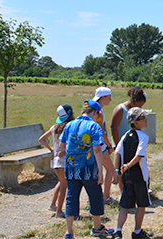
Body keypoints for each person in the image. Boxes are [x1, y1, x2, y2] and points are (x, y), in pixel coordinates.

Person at [58, 99, 114, 239]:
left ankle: (69, 232)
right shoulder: (93, 126)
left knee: (71, 198)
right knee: (95, 196)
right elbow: (96, 149)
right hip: (89, 170)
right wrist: (100, 171)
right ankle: (96, 227)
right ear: (95, 113)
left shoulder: (69, 125)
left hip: (71, 169)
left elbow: (61, 146)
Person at [112, 107, 153, 239]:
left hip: (126, 176)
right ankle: (137, 232)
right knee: (141, 205)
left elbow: (117, 152)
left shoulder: (124, 136)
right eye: (143, 118)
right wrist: (128, 165)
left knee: (125, 205)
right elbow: (139, 155)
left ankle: (118, 231)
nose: (146, 120)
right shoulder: (143, 137)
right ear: (135, 122)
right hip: (140, 176)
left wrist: (117, 170)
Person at [38, 104, 74, 218]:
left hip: (55, 161)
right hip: (64, 160)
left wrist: (51, 149)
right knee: (64, 185)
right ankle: (59, 210)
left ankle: (53, 204)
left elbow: (42, 139)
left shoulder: (54, 127)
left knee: (60, 182)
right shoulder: (68, 127)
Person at [92, 87, 117, 204]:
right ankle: (106, 197)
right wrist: (109, 145)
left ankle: (93, 198)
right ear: (102, 98)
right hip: (99, 146)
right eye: (109, 98)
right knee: (110, 170)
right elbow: (101, 131)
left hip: (90, 146)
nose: (110, 100)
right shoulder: (99, 112)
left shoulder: (90, 109)